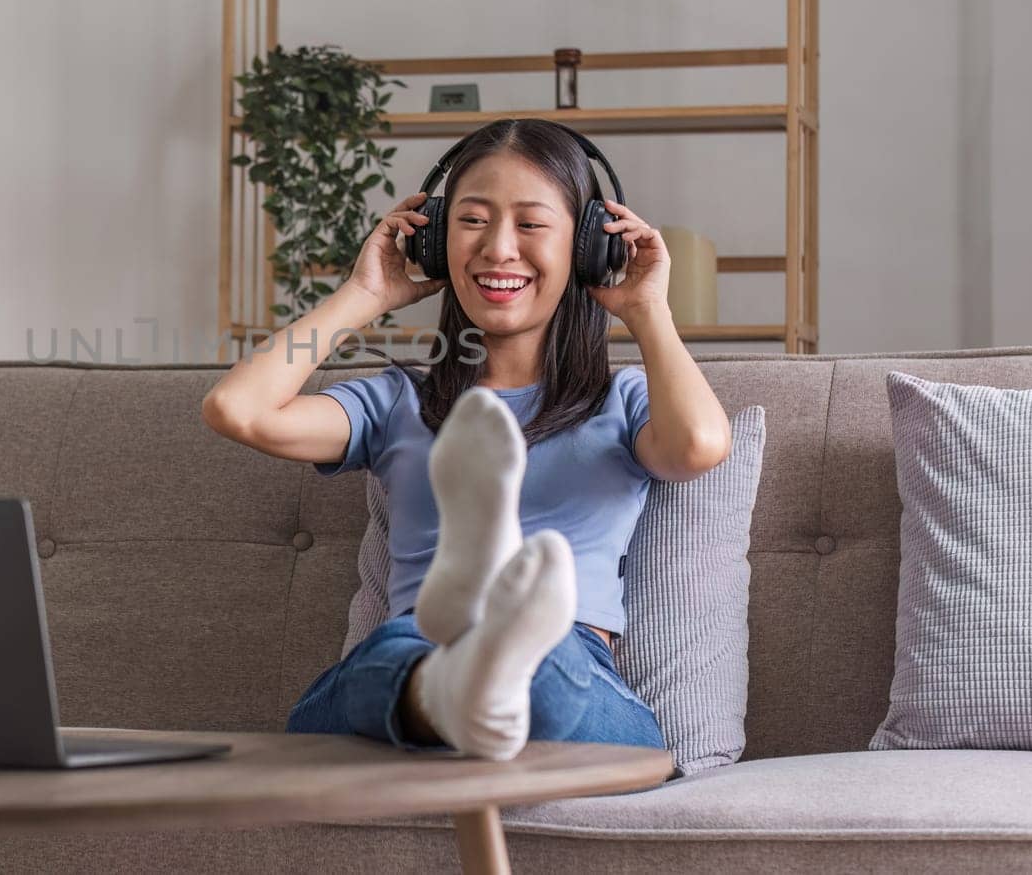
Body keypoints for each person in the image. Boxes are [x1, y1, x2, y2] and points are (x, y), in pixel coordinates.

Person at [201, 118, 732, 759]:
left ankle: (487, 653)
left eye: (531, 225)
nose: (498, 248)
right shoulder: (400, 400)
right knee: (383, 667)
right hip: (417, 648)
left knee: (550, 675)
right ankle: (464, 666)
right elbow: (238, 409)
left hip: (566, 660)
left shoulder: (618, 403)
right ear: (434, 241)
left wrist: (648, 308)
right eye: (473, 221)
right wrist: (364, 294)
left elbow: (699, 445)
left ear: (589, 248)